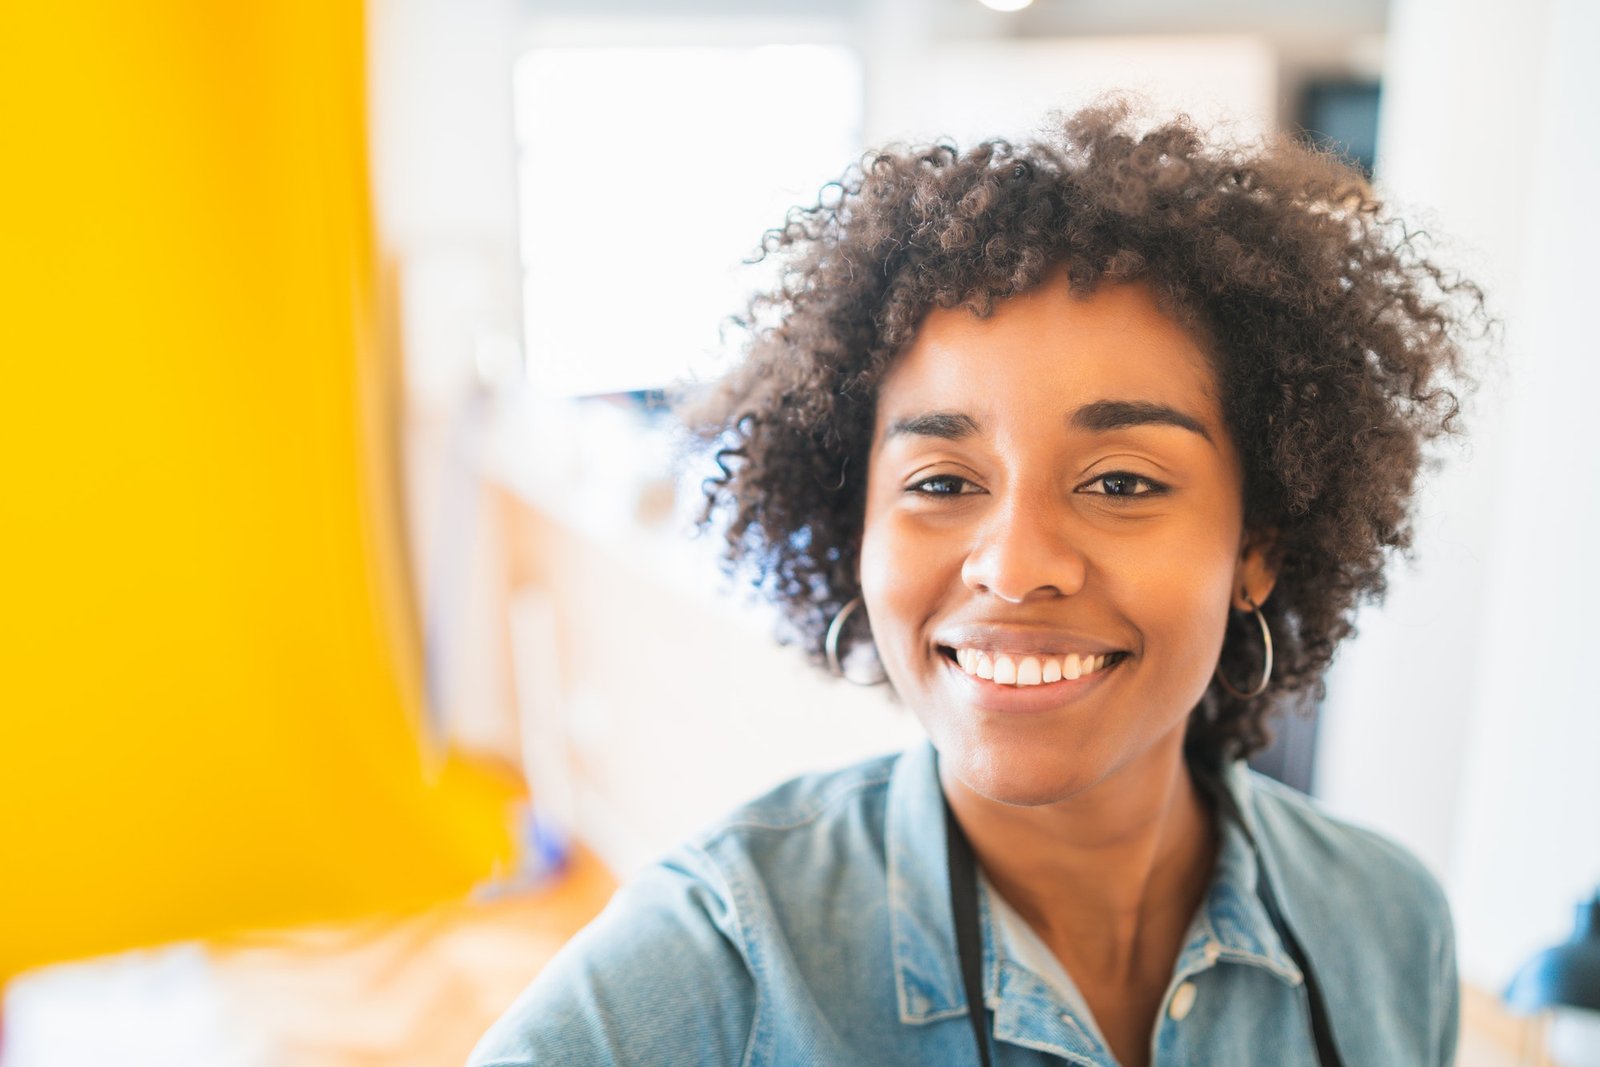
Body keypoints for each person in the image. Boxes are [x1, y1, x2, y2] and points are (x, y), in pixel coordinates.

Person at [469, 101, 1483, 1067]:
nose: (1013, 563)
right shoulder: (725, 954)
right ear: (852, 521)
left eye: (1120, 480)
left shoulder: (1385, 924)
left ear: (1255, 544)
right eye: (942, 482)